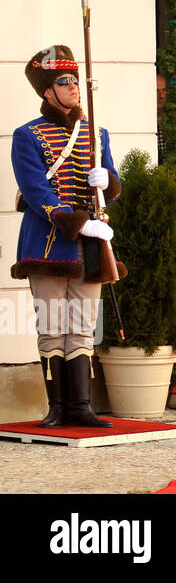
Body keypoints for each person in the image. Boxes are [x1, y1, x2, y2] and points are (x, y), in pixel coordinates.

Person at [10, 46, 121, 428]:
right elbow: (36, 191)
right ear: (47, 91)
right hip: (47, 242)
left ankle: (81, 407)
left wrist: (109, 182)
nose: (74, 87)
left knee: (83, 325)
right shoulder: (27, 136)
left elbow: (109, 181)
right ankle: (57, 407)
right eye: (64, 81)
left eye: (75, 80)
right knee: (53, 325)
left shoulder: (97, 132)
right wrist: (75, 222)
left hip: (91, 244)